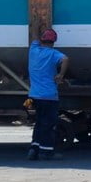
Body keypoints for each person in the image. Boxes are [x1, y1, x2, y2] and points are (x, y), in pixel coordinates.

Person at [27, 28, 69, 161]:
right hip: (50, 96)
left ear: (42, 40)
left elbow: (34, 38)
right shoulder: (53, 54)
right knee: (49, 124)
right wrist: (60, 75)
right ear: (54, 42)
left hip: (34, 95)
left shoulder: (33, 51)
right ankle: (46, 152)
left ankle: (34, 149)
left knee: (39, 123)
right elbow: (66, 59)